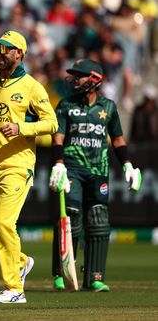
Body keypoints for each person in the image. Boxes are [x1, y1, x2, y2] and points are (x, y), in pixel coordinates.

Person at [0, 30, 58, 303]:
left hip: (18, 166)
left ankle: (14, 289)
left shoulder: (32, 86)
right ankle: (20, 262)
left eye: (5, 49)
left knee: (3, 223)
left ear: (19, 54)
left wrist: (21, 127)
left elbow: (52, 124)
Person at [49, 58, 142, 292]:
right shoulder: (66, 104)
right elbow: (58, 136)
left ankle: (94, 277)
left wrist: (128, 165)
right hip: (72, 168)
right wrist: (59, 164)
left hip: (99, 170)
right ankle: (62, 273)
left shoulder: (108, 107)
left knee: (98, 219)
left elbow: (118, 139)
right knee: (71, 215)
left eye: (78, 76)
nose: (74, 80)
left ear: (94, 79)